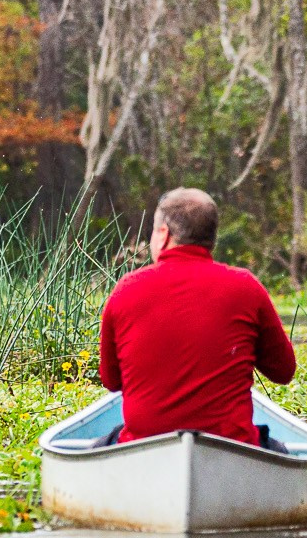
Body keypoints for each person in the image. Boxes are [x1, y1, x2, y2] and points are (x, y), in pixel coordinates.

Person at [97, 187, 296, 447]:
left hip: (145, 446)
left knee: (103, 445)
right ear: (211, 239)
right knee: (278, 449)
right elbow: (283, 372)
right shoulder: (246, 287)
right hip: (233, 447)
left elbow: (112, 381)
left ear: (164, 234)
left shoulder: (126, 289)